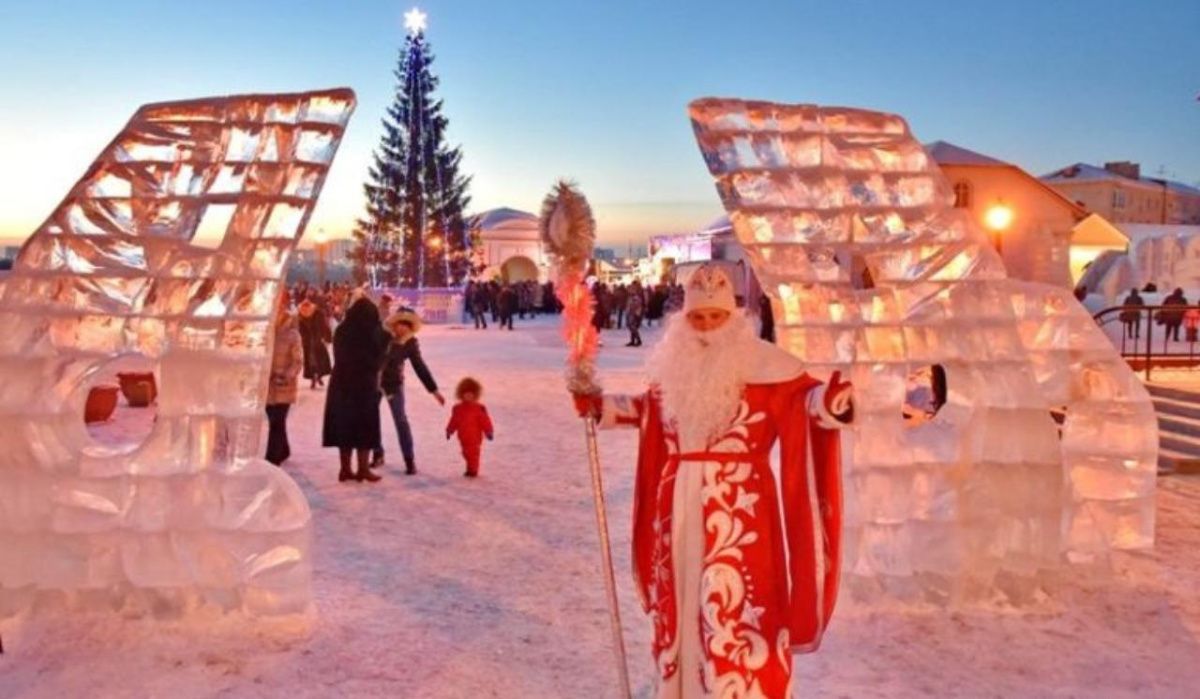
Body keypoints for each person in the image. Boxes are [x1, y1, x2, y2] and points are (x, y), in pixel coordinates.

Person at [571, 264, 852, 699]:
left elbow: (808, 403)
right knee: (682, 600)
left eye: (715, 318)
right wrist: (603, 407)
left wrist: (835, 401)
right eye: (697, 318)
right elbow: (652, 412)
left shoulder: (769, 368)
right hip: (677, 503)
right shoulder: (676, 367)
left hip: (741, 511)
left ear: (733, 317)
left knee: (740, 605)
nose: (705, 327)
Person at [322, 297, 387, 483]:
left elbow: (340, 356)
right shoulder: (371, 333)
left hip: (341, 385)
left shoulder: (342, 330)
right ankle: (363, 469)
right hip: (364, 386)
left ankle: (345, 469)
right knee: (365, 427)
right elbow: (376, 361)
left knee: (345, 427)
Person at [376, 308, 445, 475]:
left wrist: (434, 390)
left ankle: (409, 459)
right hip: (375, 382)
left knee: (400, 420)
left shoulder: (410, 343)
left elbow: (419, 366)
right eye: (400, 324)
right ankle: (377, 453)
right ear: (395, 324)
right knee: (371, 418)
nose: (402, 329)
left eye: (406, 326)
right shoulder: (383, 337)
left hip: (394, 383)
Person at [265, 292, 303, 466]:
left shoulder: (292, 334)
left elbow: (298, 361)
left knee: (277, 421)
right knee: (275, 420)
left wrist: (286, 376)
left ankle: (273, 457)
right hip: (267, 385)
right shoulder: (266, 333)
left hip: (283, 385)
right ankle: (284, 449)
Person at [446, 376, 494, 478]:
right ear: (461, 395)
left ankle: (473, 470)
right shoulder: (457, 409)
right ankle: (470, 468)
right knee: (466, 453)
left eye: (471, 394)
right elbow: (454, 421)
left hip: (474, 437)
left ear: (475, 395)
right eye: (466, 394)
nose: (468, 396)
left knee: (473, 453)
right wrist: (449, 430)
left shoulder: (478, 409)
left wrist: (488, 431)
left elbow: (485, 421)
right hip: (463, 437)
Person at [297, 290, 332, 389]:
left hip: (307, 340)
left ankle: (314, 378)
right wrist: (328, 337)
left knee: (310, 360)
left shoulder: (300, 314)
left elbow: (299, 329)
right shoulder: (317, 312)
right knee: (318, 359)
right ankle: (318, 376)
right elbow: (324, 325)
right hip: (317, 339)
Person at [625, 281, 644, 347]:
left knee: (633, 327)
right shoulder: (631, 297)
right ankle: (633, 340)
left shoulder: (636, 297)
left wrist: (636, 313)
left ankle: (638, 340)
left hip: (634, 313)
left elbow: (638, 305)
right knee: (631, 326)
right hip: (630, 313)